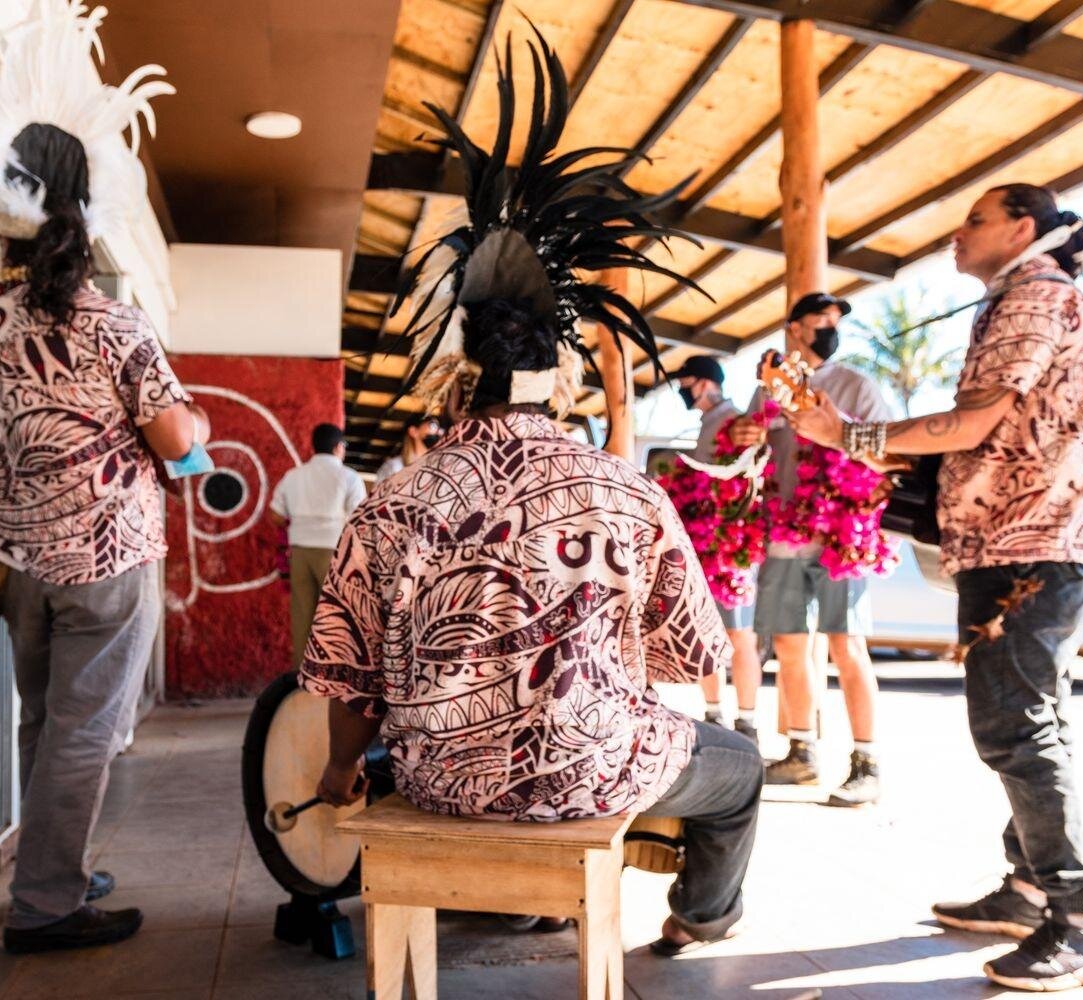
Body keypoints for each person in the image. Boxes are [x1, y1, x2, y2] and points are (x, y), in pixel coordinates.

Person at [301, 31, 761, 957]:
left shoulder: (387, 503)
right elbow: (686, 659)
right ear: (556, 380)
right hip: (593, 769)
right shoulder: (627, 494)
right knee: (741, 769)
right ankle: (701, 917)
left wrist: (342, 773)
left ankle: (522, 897)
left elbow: (350, 683)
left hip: (440, 781)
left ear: (457, 375)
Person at [789, 182, 1083, 991]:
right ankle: (1030, 890)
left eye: (975, 219)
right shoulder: (1027, 297)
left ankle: (1079, 923)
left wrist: (844, 434)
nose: (956, 233)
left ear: (1022, 227)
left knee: (1015, 730)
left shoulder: (1033, 296)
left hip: (1032, 547)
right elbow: (985, 433)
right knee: (1031, 725)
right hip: (1027, 544)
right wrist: (852, 441)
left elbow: (972, 423)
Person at [0, 0, 189, 955]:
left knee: (45, 725)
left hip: (14, 562)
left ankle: (51, 869)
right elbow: (174, 436)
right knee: (85, 732)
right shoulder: (111, 323)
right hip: (104, 560)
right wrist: (196, 424)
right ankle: (45, 905)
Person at [730, 292, 896, 807]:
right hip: (783, 536)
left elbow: (887, 449)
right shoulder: (768, 390)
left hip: (839, 540)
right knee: (788, 645)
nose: (830, 327)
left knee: (847, 646)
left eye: (835, 320)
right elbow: (749, 450)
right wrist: (743, 435)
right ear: (795, 328)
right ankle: (801, 754)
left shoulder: (856, 385)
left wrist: (836, 431)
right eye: (820, 319)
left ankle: (867, 763)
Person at [671, 354, 765, 742]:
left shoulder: (735, 422)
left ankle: (747, 721)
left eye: (687, 383)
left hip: (730, 547)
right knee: (706, 631)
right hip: (704, 545)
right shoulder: (708, 425)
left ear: (707, 383)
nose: (683, 391)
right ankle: (714, 715)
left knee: (739, 633)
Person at [270, 423, 367, 665]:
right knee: (337, 615)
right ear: (338, 447)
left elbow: (276, 515)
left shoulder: (293, 476)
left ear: (313, 447)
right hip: (335, 552)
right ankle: (334, 671)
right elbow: (359, 520)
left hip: (300, 552)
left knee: (303, 615)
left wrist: (301, 521)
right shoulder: (349, 477)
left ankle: (302, 675)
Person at [374, 415, 441, 480]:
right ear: (413, 431)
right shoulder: (394, 466)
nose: (437, 432)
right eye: (432, 426)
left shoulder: (437, 467)